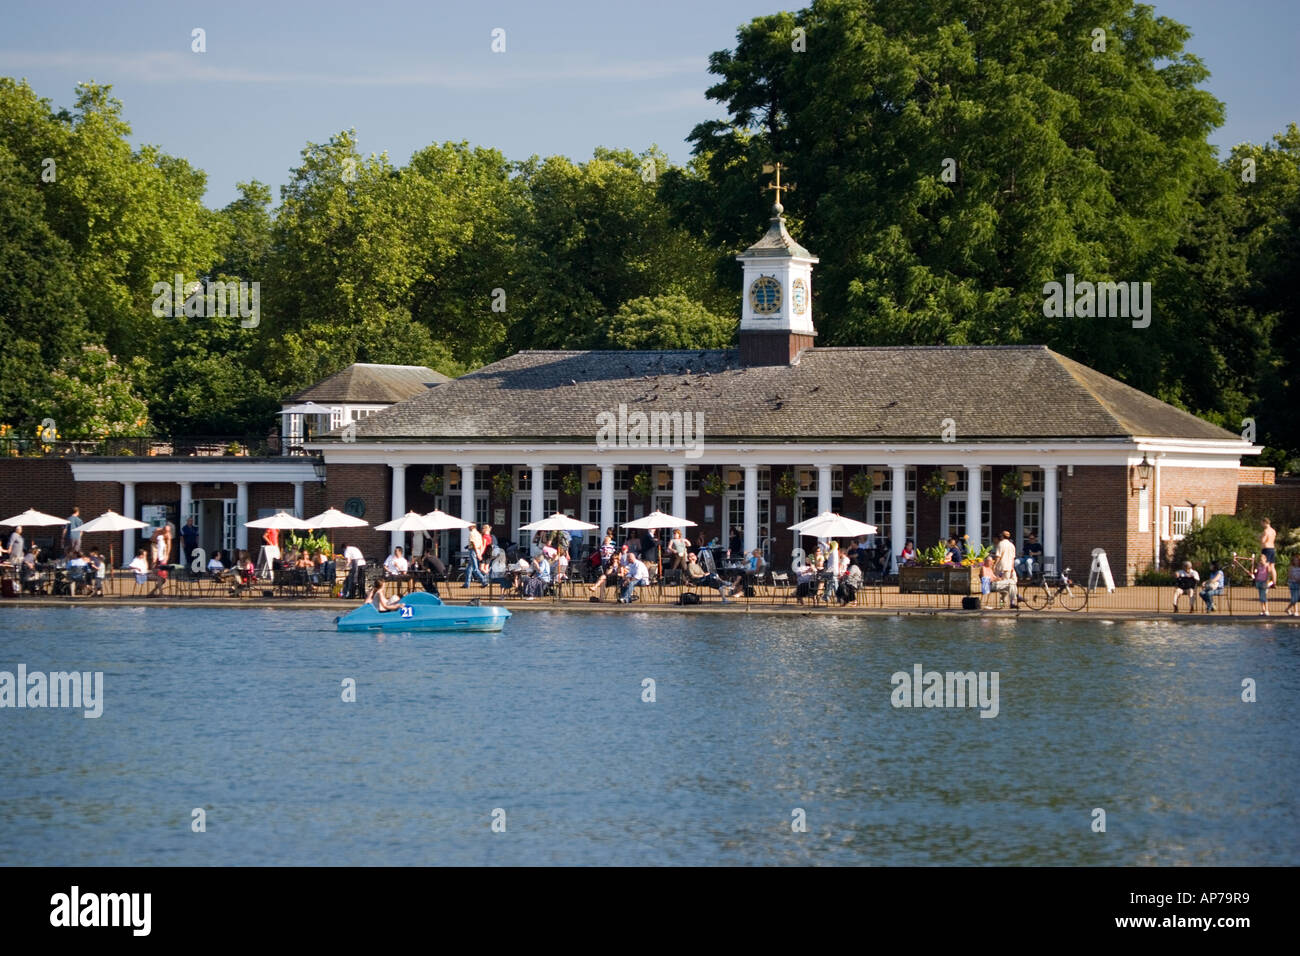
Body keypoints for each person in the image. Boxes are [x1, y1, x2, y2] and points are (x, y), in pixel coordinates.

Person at [1260, 518, 1277, 587]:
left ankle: (1266, 581)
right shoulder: (1273, 531)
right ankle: (1274, 582)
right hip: (1272, 548)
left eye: (1262, 523)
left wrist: (1260, 537)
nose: (1261, 525)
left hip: (1266, 548)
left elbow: (1263, 541)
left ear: (1265, 522)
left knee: (1265, 565)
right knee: (1272, 566)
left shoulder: (1266, 531)